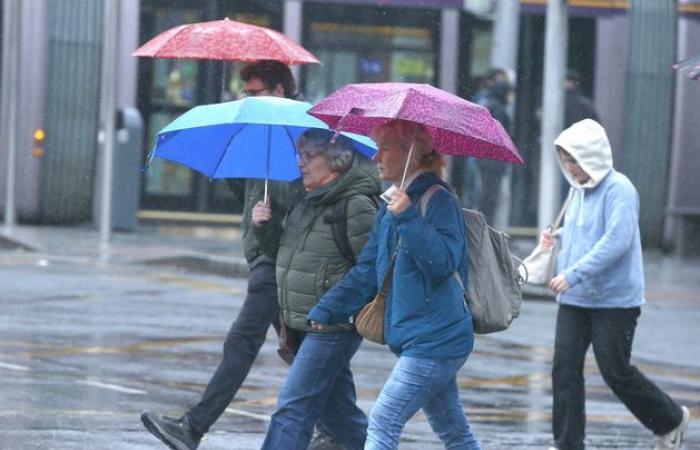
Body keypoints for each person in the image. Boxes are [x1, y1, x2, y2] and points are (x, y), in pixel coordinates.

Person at [140, 60, 311, 450]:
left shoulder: (298, 135)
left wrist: (268, 220)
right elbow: (250, 195)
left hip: (279, 261)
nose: (245, 99)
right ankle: (345, 431)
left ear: (279, 92)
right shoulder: (259, 134)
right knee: (309, 355)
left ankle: (192, 427)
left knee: (242, 342)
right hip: (267, 257)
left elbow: (299, 207)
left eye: (253, 92)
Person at [307, 120, 482, 450]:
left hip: (437, 338)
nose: (376, 157)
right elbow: (368, 269)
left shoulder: (438, 199)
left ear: (412, 154)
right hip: (418, 337)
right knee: (453, 431)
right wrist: (328, 309)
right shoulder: (392, 204)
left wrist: (409, 218)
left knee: (384, 420)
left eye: (384, 148)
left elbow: (443, 263)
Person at [540, 119, 691, 450]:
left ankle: (670, 420)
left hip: (615, 300)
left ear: (592, 157)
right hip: (575, 299)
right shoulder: (576, 188)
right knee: (564, 370)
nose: (569, 167)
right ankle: (567, 444)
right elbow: (583, 231)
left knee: (615, 372)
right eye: (565, 160)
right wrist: (558, 237)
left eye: (574, 160)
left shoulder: (620, 189)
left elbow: (616, 241)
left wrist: (574, 273)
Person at [254, 128, 381, 450]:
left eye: (310, 156)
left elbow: (374, 269)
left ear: (336, 161)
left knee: (292, 407)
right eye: (300, 155)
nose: (301, 163)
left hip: (331, 327)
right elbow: (287, 255)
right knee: (341, 418)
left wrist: (334, 307)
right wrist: (265, 228)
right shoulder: (307, 201)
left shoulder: (355, 206)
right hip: (303, 323)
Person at [477, 78, 513, 224]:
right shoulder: (498, 110)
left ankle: (485, 227)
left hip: (485, 160)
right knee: (491, 197)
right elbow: (500, 136)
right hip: (493, 161)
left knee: (486, 195)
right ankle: (487, 228)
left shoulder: (488, 106)